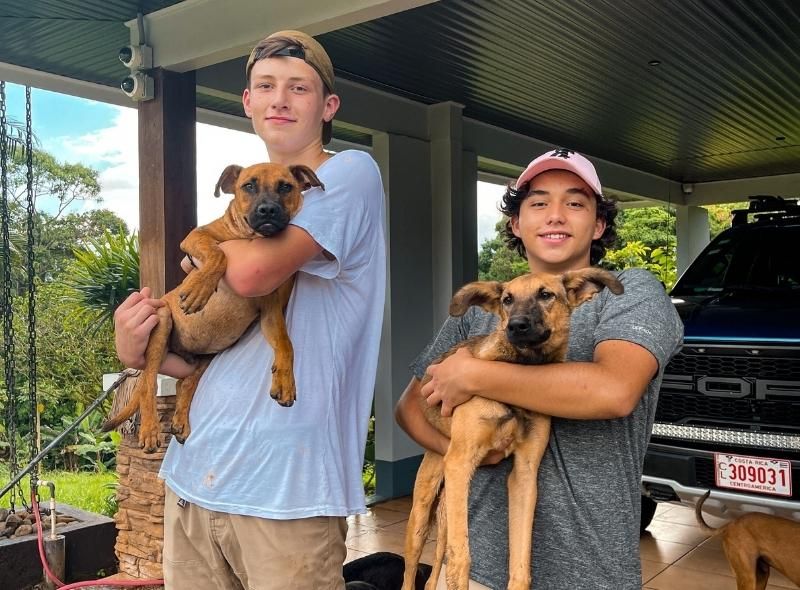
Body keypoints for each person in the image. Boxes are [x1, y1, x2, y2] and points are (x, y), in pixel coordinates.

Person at [113, 30, 386, 590]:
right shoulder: (247, 194)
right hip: (196, 472)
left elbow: (251, 272)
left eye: (299, 88)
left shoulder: (349, 174)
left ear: (328, 106)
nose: (280, 100)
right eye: (265, 86)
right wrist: (140, 350)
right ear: (247, 102)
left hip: (286, 487)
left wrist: (216, 250)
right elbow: (211, 352)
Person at [395, 148, 683, 589]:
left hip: (593, 570)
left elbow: (613, 391)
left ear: (599, 224)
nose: (555, 216)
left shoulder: (628, 294)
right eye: (538, 203)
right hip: (476, 573)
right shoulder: (482, 315)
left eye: (575, 202)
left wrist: (472, 375)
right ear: (516, 223)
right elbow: (409, 409)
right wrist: (468, 455)